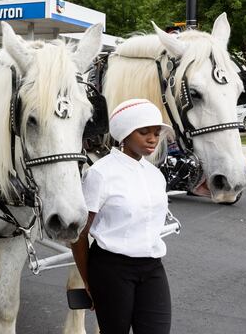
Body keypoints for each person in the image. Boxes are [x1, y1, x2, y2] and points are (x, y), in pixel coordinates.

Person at [72, 98, 175, 334]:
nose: (152, 139)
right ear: (125, 134)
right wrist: (87, 280)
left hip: (152, 267)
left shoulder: (155, 174)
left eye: (156, 132)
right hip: (111, 269)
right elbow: (79, 233)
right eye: (143, 132)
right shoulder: (100, 174)